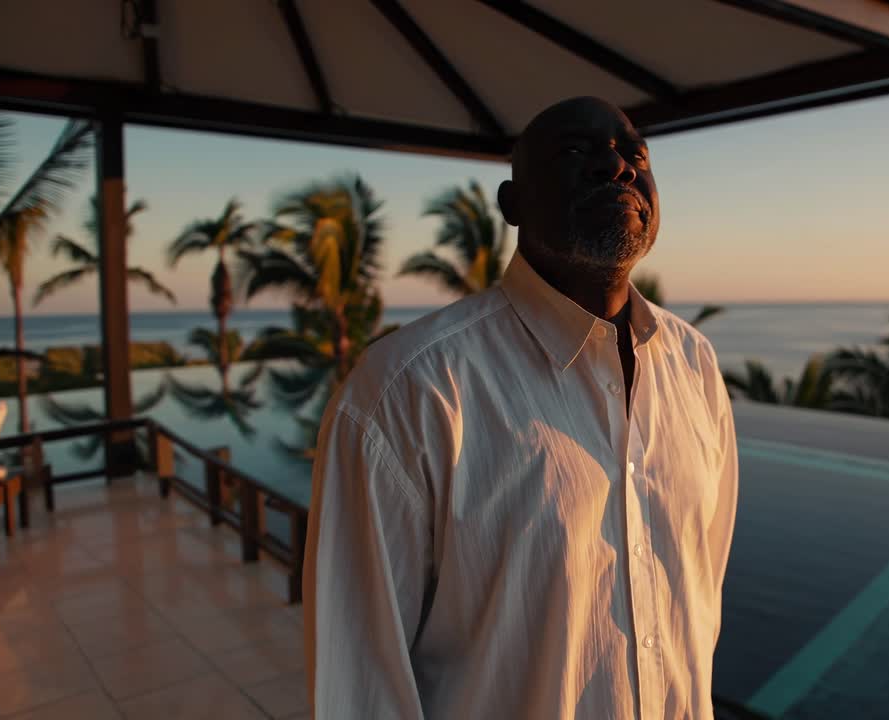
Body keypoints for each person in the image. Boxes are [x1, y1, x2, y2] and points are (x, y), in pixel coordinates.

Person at [302, 96, 738, 719]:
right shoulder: (410, 392)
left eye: (634, 153)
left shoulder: (694, 365)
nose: (615, 166)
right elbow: (360, 682)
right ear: (512, 204)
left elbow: (700, 597)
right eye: (574, 152)